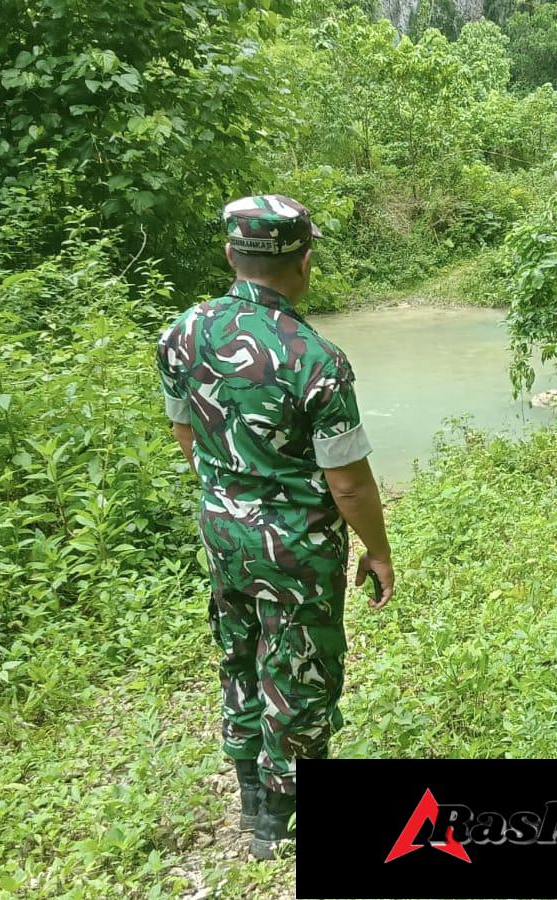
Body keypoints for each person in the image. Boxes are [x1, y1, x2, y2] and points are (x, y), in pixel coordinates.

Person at [156, 195, 396, 860]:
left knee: (238, 653)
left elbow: (185, 428)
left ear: (230, 254)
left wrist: (233, 490)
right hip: (296, 547)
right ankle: (277, 821)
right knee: (299, 672)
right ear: (305, 262)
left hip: (222, 533)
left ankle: (251, 799)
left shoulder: (183, 332)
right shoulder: (317, 357)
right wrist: (377, 550)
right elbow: (346, 480)